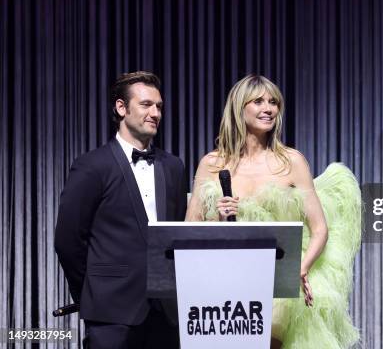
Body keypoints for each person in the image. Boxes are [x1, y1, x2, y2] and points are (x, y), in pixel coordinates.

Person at [186, 74, 361, 348]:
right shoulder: (211, 163)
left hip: (278, 277)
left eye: (273, 102)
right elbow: (190, 229)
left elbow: (320, 229)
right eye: (258, 101)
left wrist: (300, 270)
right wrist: (218, 217)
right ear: (239, 107)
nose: (268, 108)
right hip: (225, 276)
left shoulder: (291, 161)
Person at [55, 71, 187, 349]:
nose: (155, 113)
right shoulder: (92, 165)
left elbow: (177, 237)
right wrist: (92, 293)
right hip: (110, 312)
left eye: (159, 106)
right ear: (121, 107)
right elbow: (68, 241)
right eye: (146, 104)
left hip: (165, 313)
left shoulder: (174, 167)